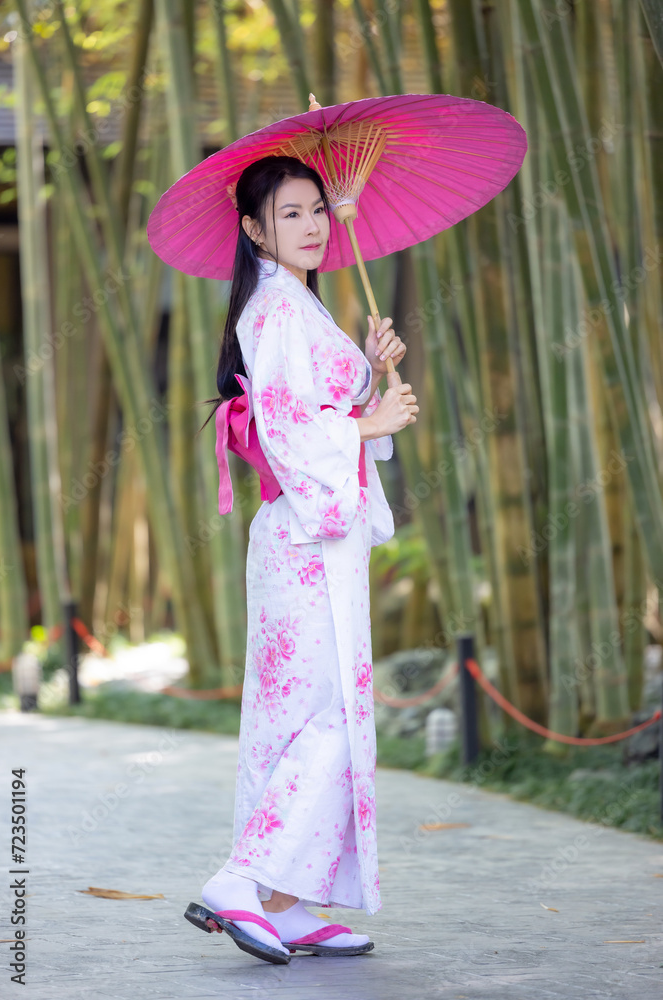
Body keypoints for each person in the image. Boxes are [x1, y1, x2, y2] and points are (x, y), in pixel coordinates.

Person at [188, 155, 418, 964]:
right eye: (289, 214)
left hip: (321, 535)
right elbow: (288, 436)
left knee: (302, 722)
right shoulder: (276, 312)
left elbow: (320, 413)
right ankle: (242, 878)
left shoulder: (296, 307)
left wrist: (370, 369)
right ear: (253, 229)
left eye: (317, 208)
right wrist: (367, 423)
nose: (313, 224)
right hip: (304, 540)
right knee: (325, 721)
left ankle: (282, 904)